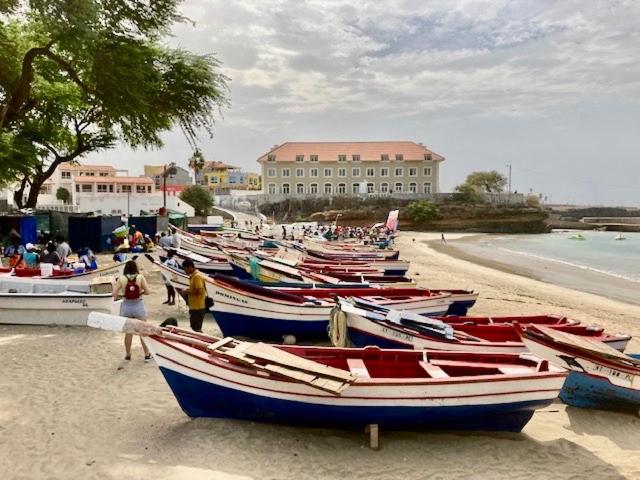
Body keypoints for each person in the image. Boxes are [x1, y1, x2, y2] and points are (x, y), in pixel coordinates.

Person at [114, 260, 152, 361]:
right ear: (135, 267)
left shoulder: (121, 278)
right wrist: (141, 292)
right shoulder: (140, 277)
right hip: (138, 305)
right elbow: (148, 292)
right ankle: (147, 354)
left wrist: (123, 295)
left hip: (126, 306)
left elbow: (114, 294)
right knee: (142, 330)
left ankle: (128, 354)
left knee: (128, 332)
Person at [182, 259, 207, 333]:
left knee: (196, 329)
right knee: (195, 327)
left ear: (190, 267)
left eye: (185, 269)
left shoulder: (197, 276)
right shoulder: (195, 275)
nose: (185, 271)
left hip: (197, 307)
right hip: (196, 306)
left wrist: (187, 291)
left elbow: (199, 290)